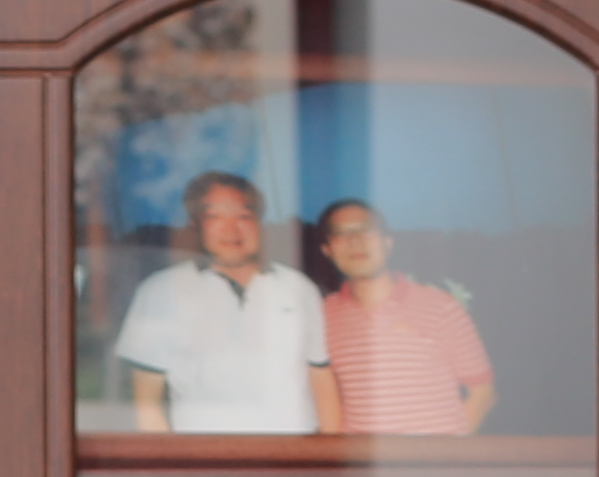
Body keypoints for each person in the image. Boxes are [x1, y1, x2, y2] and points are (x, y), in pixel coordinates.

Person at [105, 173, 329, 437]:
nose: (231, 229)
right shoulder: (161, 290)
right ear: (195, 224)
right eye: (216, 217)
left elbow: (321, 376)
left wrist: (329, 451)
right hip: (204, 452)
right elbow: (147, 402)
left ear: (259, 223)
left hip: (295, 449)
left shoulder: (298, 287)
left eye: (243, 216)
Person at [306, 199, 493, 437]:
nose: (355, 241)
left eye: (366, 230)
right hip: (362, 458)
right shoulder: (324, 314)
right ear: (327, 250)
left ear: (388, 242)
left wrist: (447, 451)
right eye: (341, 234)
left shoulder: (440, 307)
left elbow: (482, 394)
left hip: (433, 457)